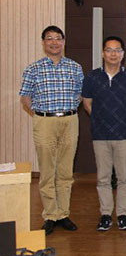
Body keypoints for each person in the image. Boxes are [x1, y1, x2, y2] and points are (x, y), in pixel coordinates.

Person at [19, 25, 84, 235]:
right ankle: (50, 215)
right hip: (44, 122)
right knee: (47, 171)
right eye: (49, 38)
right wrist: (40, 115)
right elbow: (25, 98)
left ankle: (63, 213)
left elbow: (80, 94)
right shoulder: (33, 69)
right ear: (43, 42)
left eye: (58, 38)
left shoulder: (75, 67)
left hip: (69, 121)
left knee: (65, 171)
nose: (54, 42)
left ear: (63, 42)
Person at [82, 36, 126, 231]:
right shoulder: (92, 77)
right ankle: (106, 214)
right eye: (109, 50)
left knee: (124, 178)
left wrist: (124, 119)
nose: (113, 54)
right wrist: (100, 119)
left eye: (117, 50)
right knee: (103, 178)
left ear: (123, 54)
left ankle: (123, 214)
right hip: (100, 135)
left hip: (124, 134)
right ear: (103, 53)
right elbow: (87, 103)